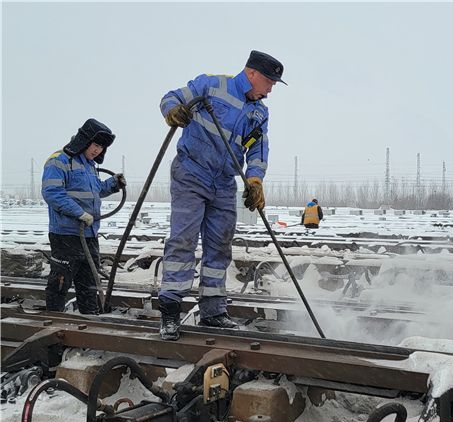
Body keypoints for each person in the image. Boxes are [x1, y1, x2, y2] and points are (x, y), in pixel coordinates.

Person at [157, 50, 286, 340]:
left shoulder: (259, 112)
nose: (271, 88)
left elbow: (257, 148)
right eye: (269, 81)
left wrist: (255, 179)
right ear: (252, 73)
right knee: (183, 241)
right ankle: (170, 312)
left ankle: (213, 311)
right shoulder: (212, 85)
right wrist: (173, 112)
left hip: (224, 182)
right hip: (192, 172)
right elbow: (171, 97)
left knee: (220, 245)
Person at [41, 119, 126, 314]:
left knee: (89, 283)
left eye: (101, 147)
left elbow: (95, 191)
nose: (97, 150)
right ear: (84, 140)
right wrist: (79, 213)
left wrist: (113, 184)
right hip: (66, 234)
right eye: (95, 144)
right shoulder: (59, 160)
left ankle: (89, 322)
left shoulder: (89, 166)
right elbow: (52, 192)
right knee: (60, 282)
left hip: (88, 234)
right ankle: (54, 321)